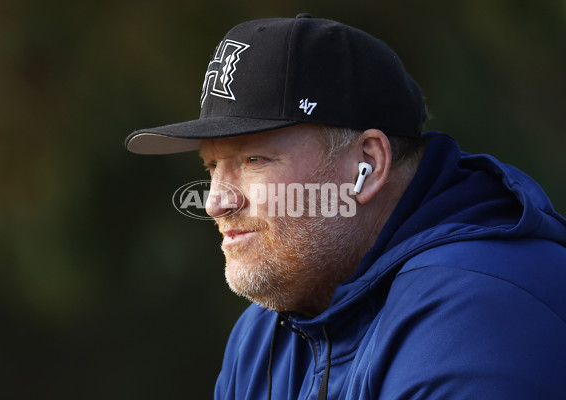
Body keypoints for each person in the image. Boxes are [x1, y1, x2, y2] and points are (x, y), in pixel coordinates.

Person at [125, 14, 566, 400]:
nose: (216, 202)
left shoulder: (478, 314)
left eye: (253, 160)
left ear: (368, 165)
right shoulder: (263, 335)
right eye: (212, 166)